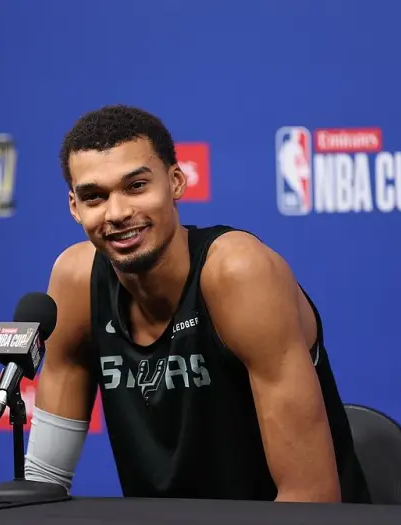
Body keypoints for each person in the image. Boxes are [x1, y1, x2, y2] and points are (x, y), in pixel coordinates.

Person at [24, 105, 372, 503]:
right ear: (74, 207)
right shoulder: (76, 281)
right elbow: (42, 484)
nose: (117, 213)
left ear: (175, 182)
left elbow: (310, 496)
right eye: (94, 197)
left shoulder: (238, 273)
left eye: (136, 186)